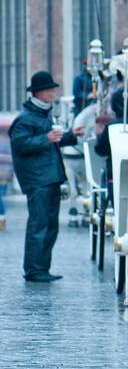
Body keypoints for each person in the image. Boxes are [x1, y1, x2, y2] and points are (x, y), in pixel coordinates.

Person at [9, 71, 84, 281]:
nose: (53, 93)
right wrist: (46, 138)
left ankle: (42, 268)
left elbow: (53, 141)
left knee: (50, 225)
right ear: (39, 93)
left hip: (49, 178)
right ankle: (34, 270)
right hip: (38, 180)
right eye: (50, 90)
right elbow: (20, 145)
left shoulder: (43, 114)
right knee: (39, 224)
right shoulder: (25, 119)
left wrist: (71, 136)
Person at [0, 112, 14, 232]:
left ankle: (1, 220)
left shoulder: (7, 141)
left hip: (3, 173)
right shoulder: (8, 140)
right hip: (5, 173)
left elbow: (11, 158)